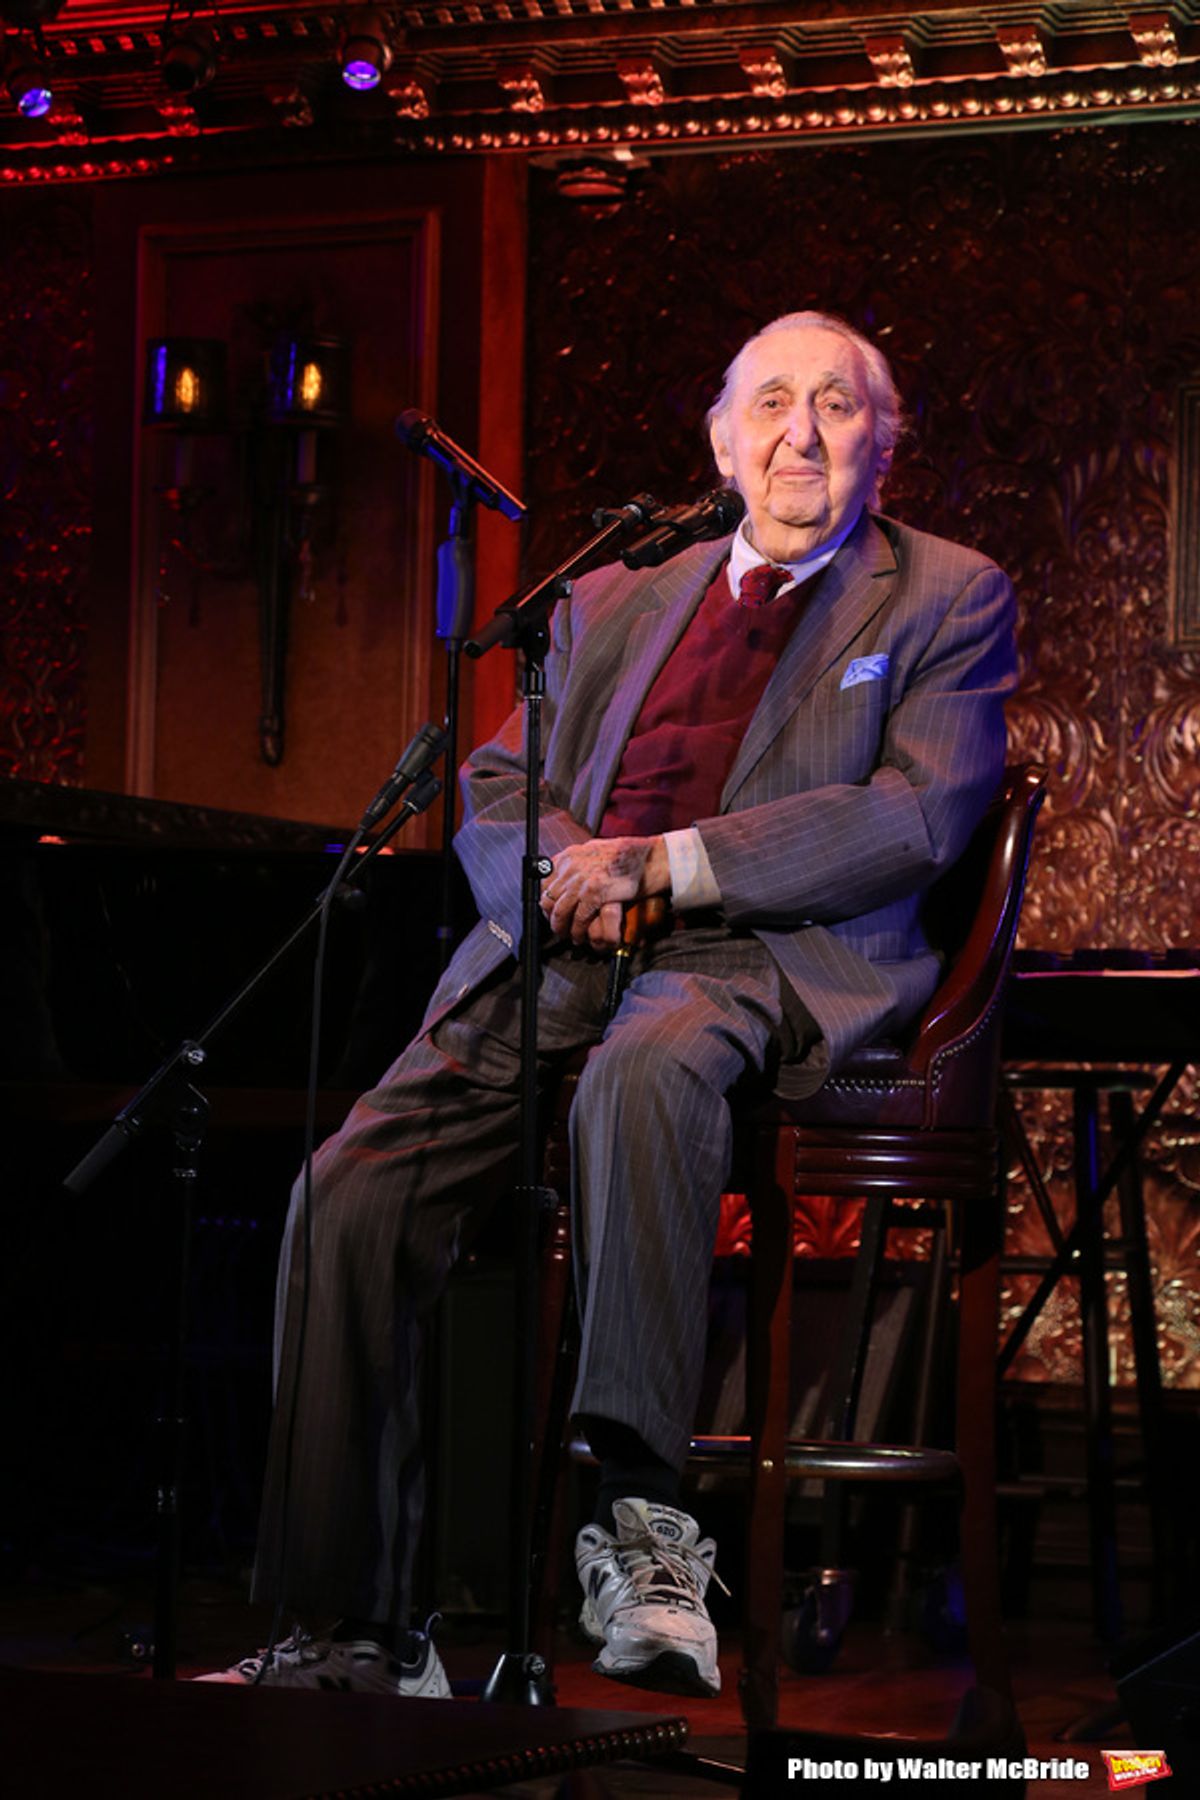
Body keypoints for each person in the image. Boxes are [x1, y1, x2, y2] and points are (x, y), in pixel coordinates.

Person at [202, 310, 1017, 1701]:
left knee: (648, 1071)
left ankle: (648, 1535)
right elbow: (503, 791)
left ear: (885, 441)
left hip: (755, 953)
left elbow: (917, 814)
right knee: (348, 1185)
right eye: (771, 403)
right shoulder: (611, 597)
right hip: (566, 952)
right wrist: (564, 885)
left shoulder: (946, 593)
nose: (800, 434)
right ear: (721, 439)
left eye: (835, 405)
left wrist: (674, 867)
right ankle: (346, 1625)